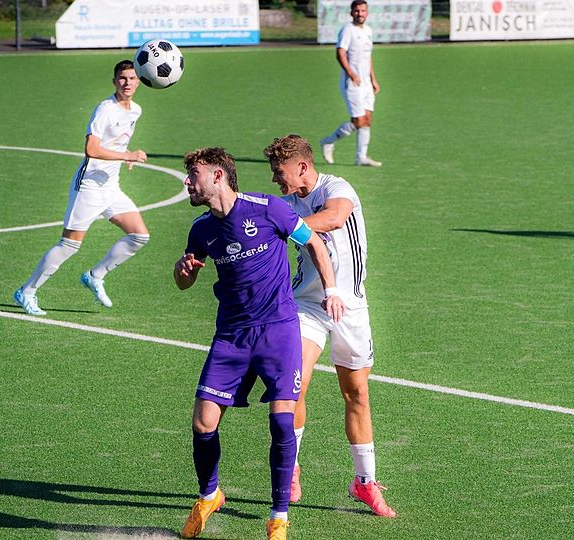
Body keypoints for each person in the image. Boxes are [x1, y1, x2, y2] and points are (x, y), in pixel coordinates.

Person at [174, 147, 346, 540]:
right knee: (203, 422)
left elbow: (314, 242)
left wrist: (331, 290)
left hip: (278, 331)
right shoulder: (202, 229)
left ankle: (278, 516)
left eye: (194, 174)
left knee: (282, 422)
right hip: (232, 335)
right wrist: (183, 271)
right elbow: (185, 281)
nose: (188, 181)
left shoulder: (268, 209)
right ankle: (209, 496)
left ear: (218, 176)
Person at [263, 134, 397, 518]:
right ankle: (291, 468)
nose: (275, 179)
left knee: (357, 393)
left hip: (350, 306)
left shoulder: (336, 188)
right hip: (307, 304)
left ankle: (365, 482)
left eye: (279, 171)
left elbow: (335, 218)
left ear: (302, 167)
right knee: (295, 384)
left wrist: (288, 226)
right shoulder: (285, 204)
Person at [13, 59, 150, 316]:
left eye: (132, 78)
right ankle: (27, 292)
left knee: (139, 236)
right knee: (69, 245)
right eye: (122, 78)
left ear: (139, 81)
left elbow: (116, 143)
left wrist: (127, 156)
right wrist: (127, 156)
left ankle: (95, 276)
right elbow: (91, 149)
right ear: (114, 81)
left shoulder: (136, 110)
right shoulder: (105, 109)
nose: (127, 83)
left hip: (111, 187)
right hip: (88, 186)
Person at [321, 0, 382, 167]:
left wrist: (373, 79)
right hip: (352, 83)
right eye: (357, 11)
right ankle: (329, 141)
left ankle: (361, 157)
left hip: (367, 83)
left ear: (367, 13)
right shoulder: (348, 30)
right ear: (351, 13)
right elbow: (340, 53)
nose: (360, 14)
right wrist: (351, 74)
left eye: (363, 11)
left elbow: (368, 57)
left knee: (367, 119)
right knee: (359, 121)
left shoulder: (368, 30)